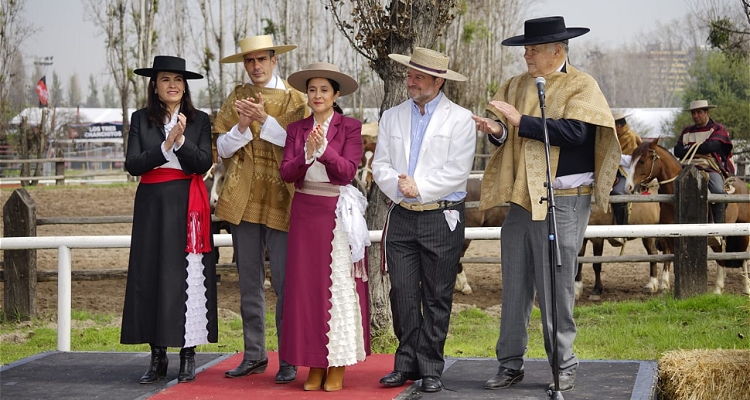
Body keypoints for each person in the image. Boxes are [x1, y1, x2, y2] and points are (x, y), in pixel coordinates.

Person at [472, 16, 620, 393]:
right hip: (523, 200)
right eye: (526, 48)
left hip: (564, 202)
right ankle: (509, 364)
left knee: (556, 287)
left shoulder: (582, 85)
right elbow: (510, 133)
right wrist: (497, 130)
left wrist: (522, 122)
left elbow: (577, 133)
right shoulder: (517, 84)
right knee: (514, 285)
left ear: (558, 50)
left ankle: (563, 366)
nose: (526, 54)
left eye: (533, 48)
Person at [371, 47, 476, 393]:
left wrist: (420, 187)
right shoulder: (392, 116)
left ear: (438, 81)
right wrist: (400, 187)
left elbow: (458, 171)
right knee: (401, 293)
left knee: (436, 295)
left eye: (417, 77)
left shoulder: (460, 119)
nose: (410, 81)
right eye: (409, 75)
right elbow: (380, 165)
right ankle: (405, 364)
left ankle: (431, 366)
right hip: (402, 215)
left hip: (441, 216)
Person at [212, 35, 308, 383]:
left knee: (284, 282)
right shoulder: (236, 97)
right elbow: (220, 147)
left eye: (261, 60)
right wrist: (241, 126)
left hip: (283, 200)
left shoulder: (297, 101)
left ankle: (289, 357)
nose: (255, 67)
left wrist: (265, 120)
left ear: (274, 60)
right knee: (249, 280)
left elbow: (298, 146)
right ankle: (254, 354)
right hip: (243, 199)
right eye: (249, 61)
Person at [121, 55, 217, 384]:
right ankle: (157, 355)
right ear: (155, 85)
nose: (173, 85)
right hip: (151, 205)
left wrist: (182, 142)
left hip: (187, 204)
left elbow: (202, 161)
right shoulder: (140, 119)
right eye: (165, 79)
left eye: (178, 79)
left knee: (186, 277)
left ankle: (188, 354)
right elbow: (133, 164)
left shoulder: (200, 120)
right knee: (151, 276)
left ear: (184, 86)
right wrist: (164, 147)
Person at [279, 62, 371, 392]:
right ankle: (314, 362)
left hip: (335, 213)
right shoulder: (296, 129)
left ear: (336, 94)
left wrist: (325, 151)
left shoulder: (350, 127)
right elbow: (286, 173)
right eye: (312, 90)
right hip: (305, 212)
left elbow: (347, 171)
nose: (317, 95)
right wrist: (306, 153)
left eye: (324, 90)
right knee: (307, 290)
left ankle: (337, 362)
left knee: (337, 288)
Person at [673, 100, 734, 224]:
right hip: (686, 167)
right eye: (693, 113)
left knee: (717, 191)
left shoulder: (718, 129)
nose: (695, 116)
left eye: (699, 112)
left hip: (709, 167)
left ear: (707, 112)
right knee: (666, 188)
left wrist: (688, 148)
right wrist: (697, 149)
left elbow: (710, 147)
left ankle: (718, 227)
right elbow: (677, 151)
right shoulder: (687, 131)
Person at [611, 111, 642, 226]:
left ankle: (621, 229)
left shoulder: (630, 137)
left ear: (618, 126)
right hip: (614, 173)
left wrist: (612, 156)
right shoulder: (617, 137)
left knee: (617, 193)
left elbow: (632, 160)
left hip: (627, 174)